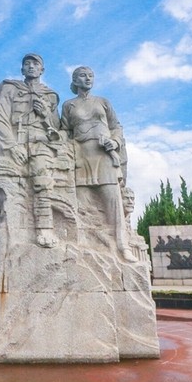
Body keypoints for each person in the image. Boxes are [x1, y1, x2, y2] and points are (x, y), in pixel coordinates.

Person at [0, 53, 62, 248]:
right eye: (27, 63)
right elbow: (1, 118)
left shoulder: (50, 95)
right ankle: (10, 226)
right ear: (22, 69)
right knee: (10, 186)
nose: (31, 66)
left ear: (42, 69)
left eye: (35, 64)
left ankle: (44, 227)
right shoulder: (10, 88)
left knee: (42, 178)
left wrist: (45, 115)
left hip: (40, 143)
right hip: (15, 142)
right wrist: (11, 146)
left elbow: (57, 128)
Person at [61, 66, 137, 262]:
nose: (88, 79)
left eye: (91, 75)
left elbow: (116, 127)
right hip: (81, 156)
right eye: (83, 75)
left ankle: (122, 246)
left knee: (113, 203)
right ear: (74, 80)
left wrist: (115, 142)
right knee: (82, 205)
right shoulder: (68, 105)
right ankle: (83, 246)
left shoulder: (103, 102)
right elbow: (64, 132)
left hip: (104, 155)